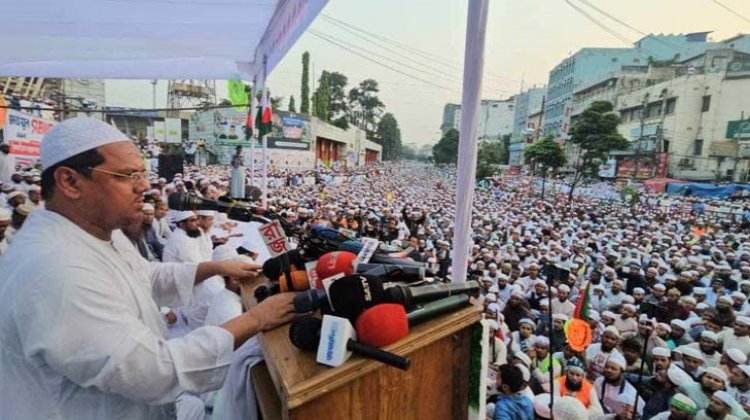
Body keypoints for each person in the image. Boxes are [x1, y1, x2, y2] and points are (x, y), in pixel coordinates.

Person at [0, 117, 297, 419]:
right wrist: (256, 318)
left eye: (142, 174)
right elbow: (153, 371)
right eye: (127, 175)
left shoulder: (99, 231)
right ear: (70, 182)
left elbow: (145, 276)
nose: (143, 186)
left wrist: (217, 266)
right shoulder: (54, 267)